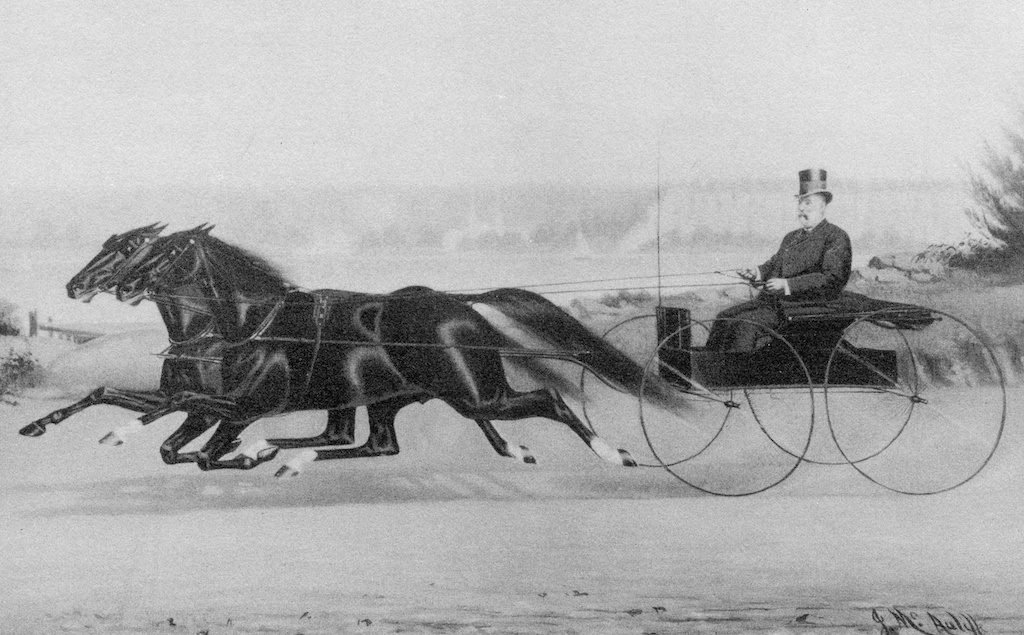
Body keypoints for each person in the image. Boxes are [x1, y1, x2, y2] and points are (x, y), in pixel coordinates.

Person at [705, 169, 852, 351]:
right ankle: (709, 370)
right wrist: (756, 272)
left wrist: (787, 285)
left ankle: (738, 377)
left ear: (822, 206)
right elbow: (774, 264)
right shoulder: (791, 237)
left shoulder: (836, 236)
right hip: (776, 304)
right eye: (800, 203)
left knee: (745, 326)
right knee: (724, 317)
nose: (801, 208)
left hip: (807, 307)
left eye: (808, 203)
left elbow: (833, 278)